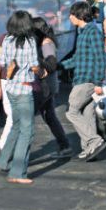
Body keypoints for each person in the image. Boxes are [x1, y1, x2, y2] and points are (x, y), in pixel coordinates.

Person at [62, 1, 106, 162]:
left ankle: (94, 141)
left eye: (72, 14)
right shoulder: (82, 32)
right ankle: (90, 149)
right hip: (81, 77)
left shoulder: (92, 32)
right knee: (87, 113)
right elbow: (77, 59)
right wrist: (60, 66)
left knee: (71, 111)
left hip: (87, 80)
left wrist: (98, 83)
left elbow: (100, 58)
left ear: (79, 15)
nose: (70, 17)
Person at [0, 11, 40, 184]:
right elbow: (35, 65)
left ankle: (3, 161)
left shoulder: (7, 39)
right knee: (27, 132)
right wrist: (40, 71)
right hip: (24, 89)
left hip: (11, 87)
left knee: (16, 125)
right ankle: (17, 172)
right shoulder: (29, 42)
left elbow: (2, 62)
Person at [31, 17, 72, 159]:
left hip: (45, 86)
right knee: (50, 116)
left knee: (28, 118)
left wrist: (35, 59)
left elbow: (52, 65)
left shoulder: (46, 43)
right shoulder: (45, 41)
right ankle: (64, 145)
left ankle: (19, 151)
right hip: (48, 85)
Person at [0, 31, 13, 149]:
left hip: (8, 80)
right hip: (8, 81)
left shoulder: (4, 37)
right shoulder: (4, 38)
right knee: (12, 115)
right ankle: (4, 143)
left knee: (12, 115)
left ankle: (4, 143)